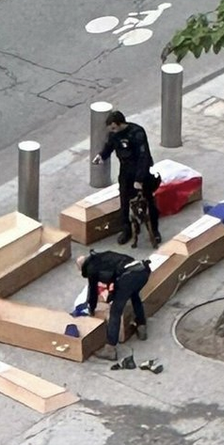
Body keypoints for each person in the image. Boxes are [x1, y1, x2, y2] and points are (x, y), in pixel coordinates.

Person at [92, 110, 161, 245]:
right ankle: (126, 230)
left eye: (113, 128)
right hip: (126, 171)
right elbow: (110, 146)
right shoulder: (114, 135)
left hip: (140, 171)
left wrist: (139, 179)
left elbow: (143, 157)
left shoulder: (137, 133)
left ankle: (155, 230)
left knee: (148, 201)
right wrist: (101, 156)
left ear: (119, 124)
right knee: (124, 201)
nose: (113, 131)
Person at [76, 250, 151, 360]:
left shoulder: (91, 268)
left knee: (115, 312)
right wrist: (112, 294)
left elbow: (93, 292)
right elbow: (114, 276)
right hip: (143, 271)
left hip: (128, 277)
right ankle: (141, 326)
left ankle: (110, 349)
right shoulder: (104, 256)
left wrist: (91, 309)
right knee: (134, 295)